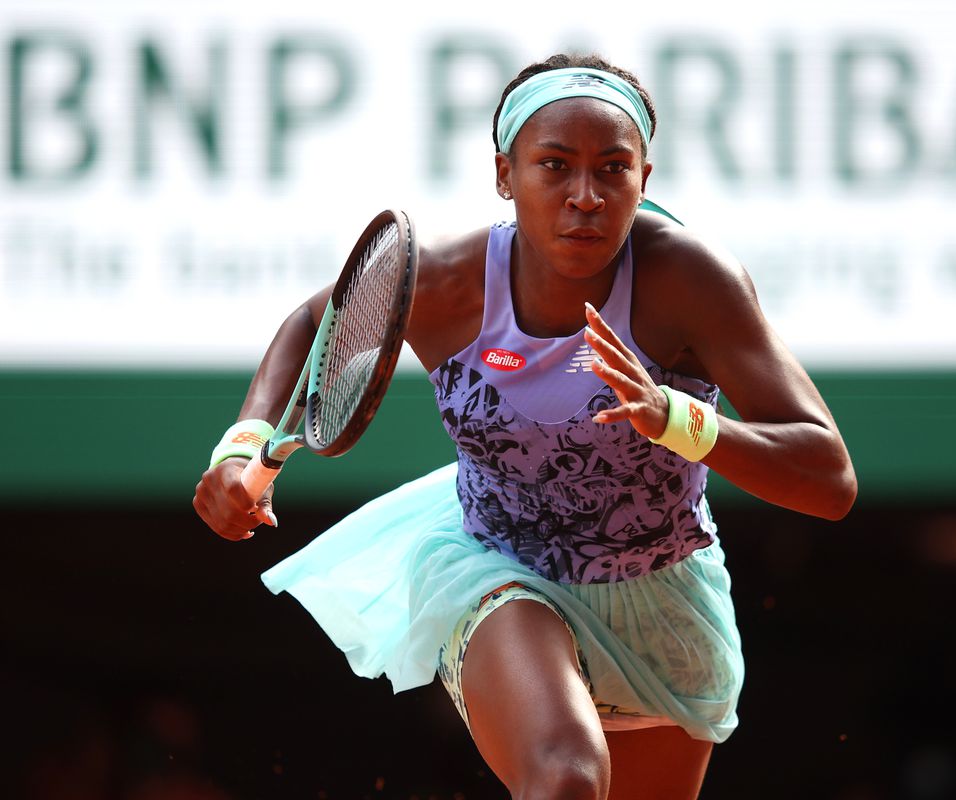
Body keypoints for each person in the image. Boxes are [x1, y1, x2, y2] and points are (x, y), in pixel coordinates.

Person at [193, 53, 857, 800]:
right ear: (504, 174)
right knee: (566, 778)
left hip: (663, 593)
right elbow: (317, 321)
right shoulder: (448, 279)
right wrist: (242, 446)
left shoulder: (691, 281)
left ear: (645, 177)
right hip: (495, 562)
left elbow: (829, 479)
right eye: (554, 165)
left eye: (613, 169)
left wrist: (681, 421)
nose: (585, 195)